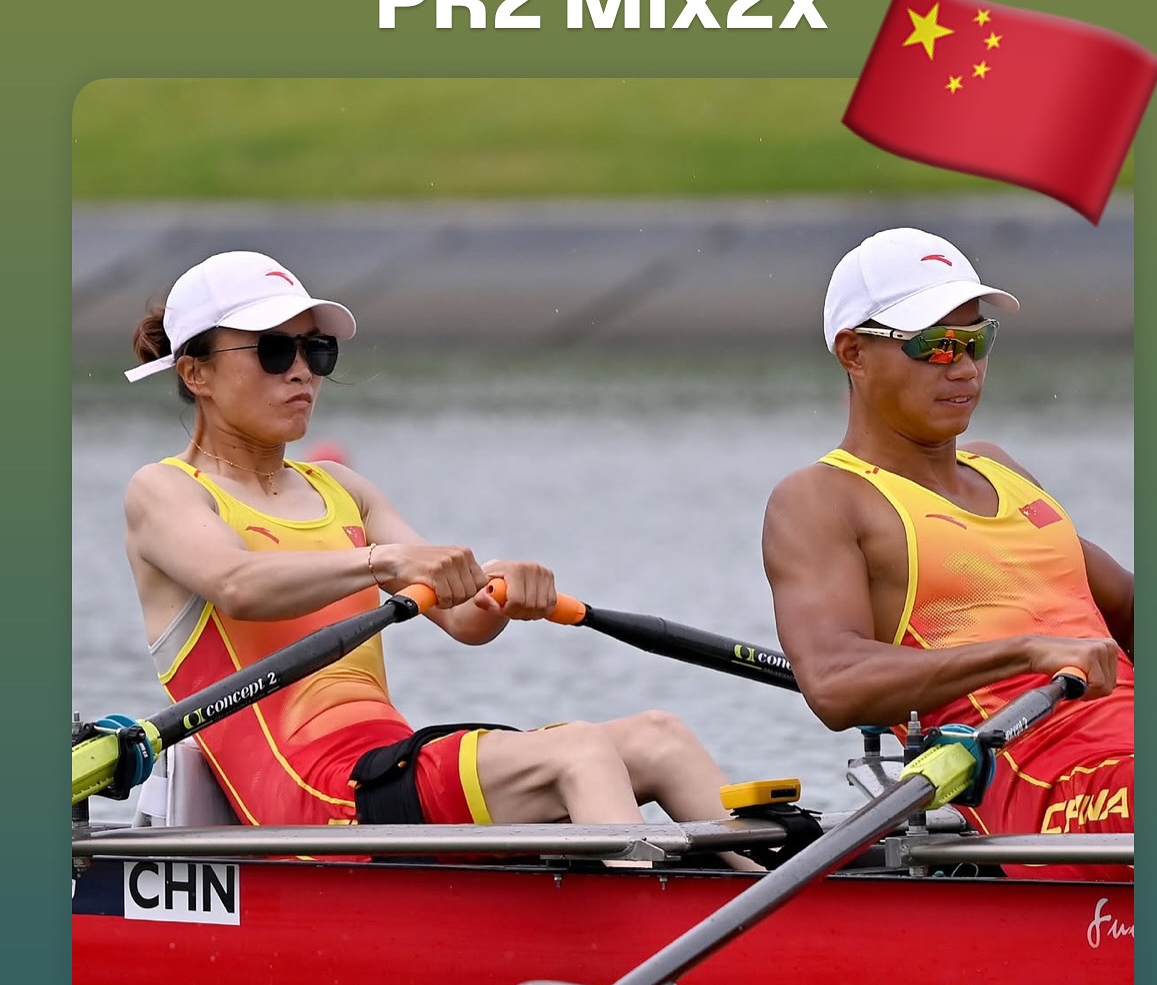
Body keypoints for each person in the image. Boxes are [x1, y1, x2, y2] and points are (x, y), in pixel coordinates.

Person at [123, 249, 756, 863]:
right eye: (273, 350)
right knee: (580, 750)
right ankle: (652, 919)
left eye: (316, 350)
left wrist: (502, 590)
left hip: (386, 769)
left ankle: (772, 904)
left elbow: (462, 618)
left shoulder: (342, 489)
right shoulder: (166, 490)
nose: (301, 372)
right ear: (196, 373)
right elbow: (238, 585)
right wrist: (385, 563)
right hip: (310, 802)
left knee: (660, 737)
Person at [761, 227, 1133, 879]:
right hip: (1047, 784)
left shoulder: (1000, 469)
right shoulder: (823, 499)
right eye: (933, 344)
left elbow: (1131, 609)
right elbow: (835, 683)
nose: (963, 367)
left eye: (976, 340)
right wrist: (1024, 653)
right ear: (854, 352)